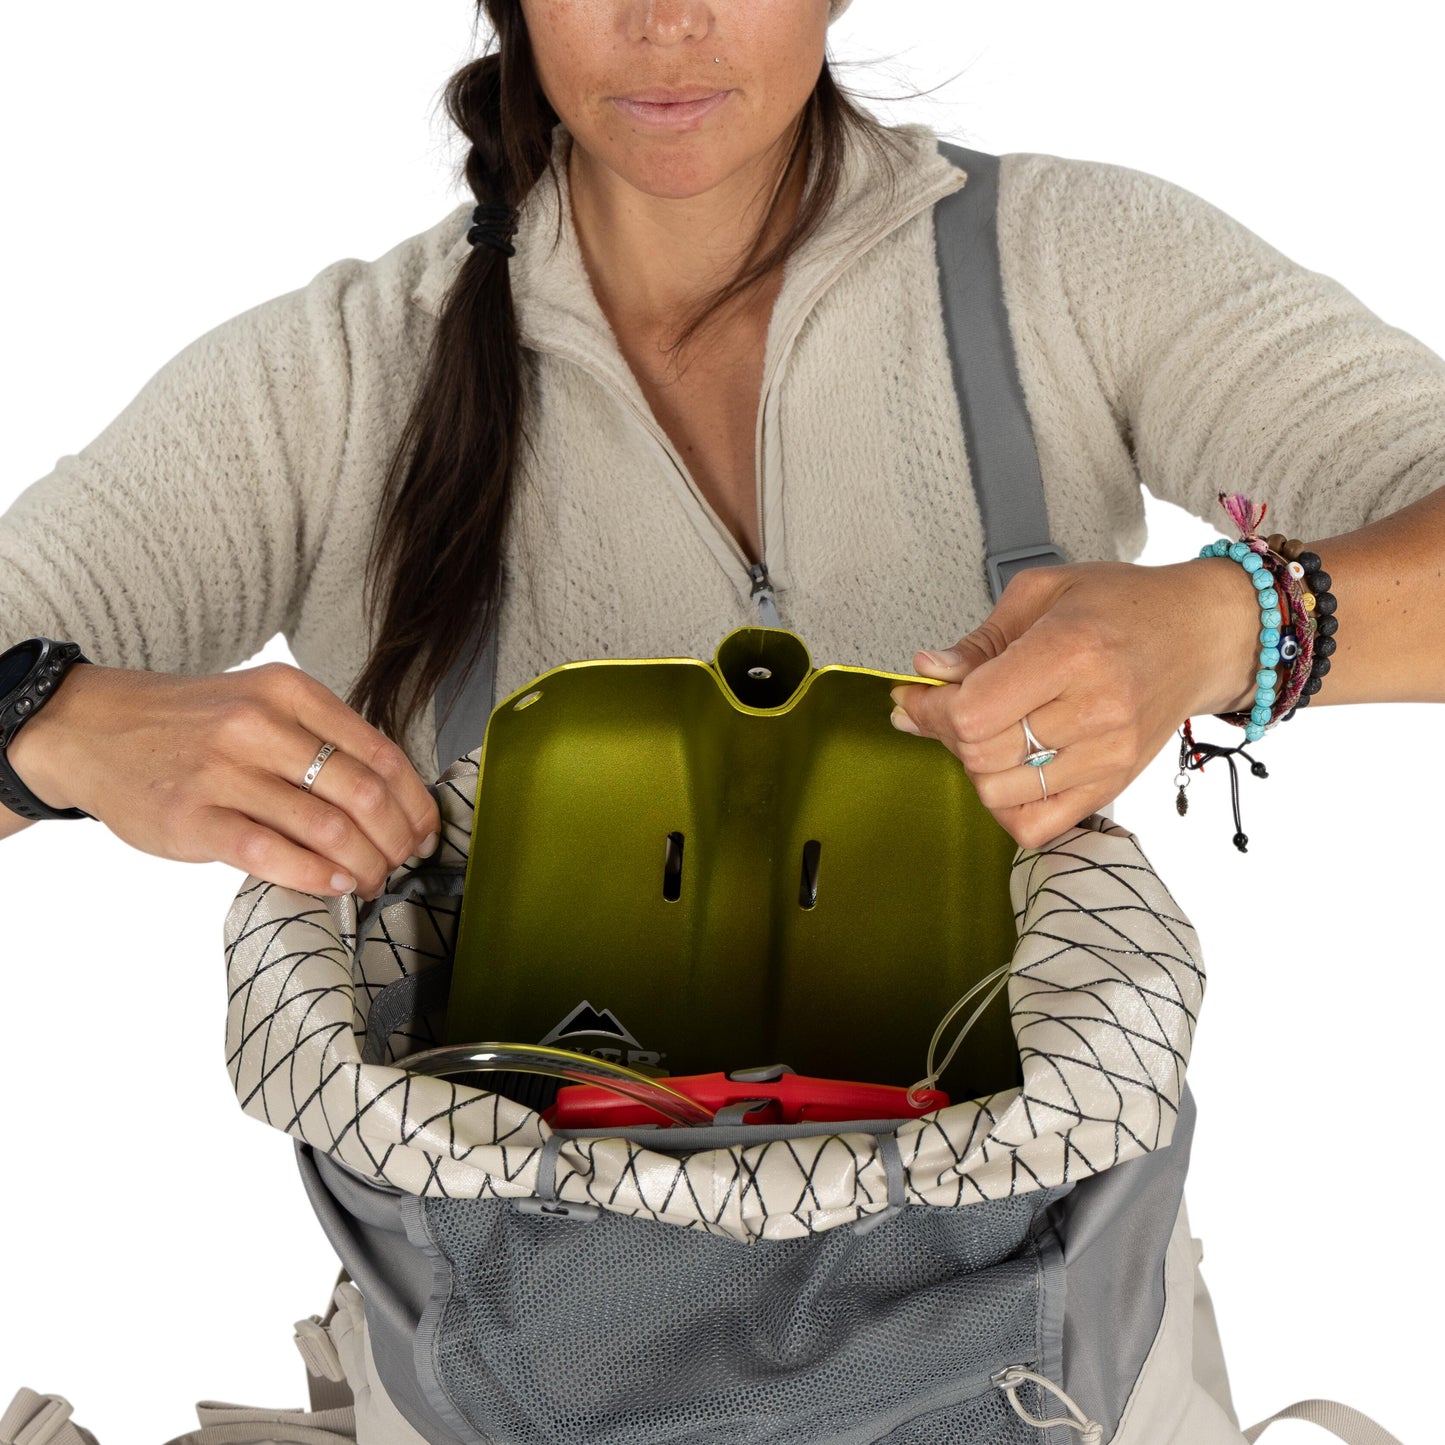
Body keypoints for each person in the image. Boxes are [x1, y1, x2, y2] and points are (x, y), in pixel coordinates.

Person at [2, 0, 1442, 1438]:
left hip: (1037, 1385)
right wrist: (48, 722)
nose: (666, 20)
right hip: (512, 1386)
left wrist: (1234, 620)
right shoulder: (331, 382)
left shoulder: (1073, 270)